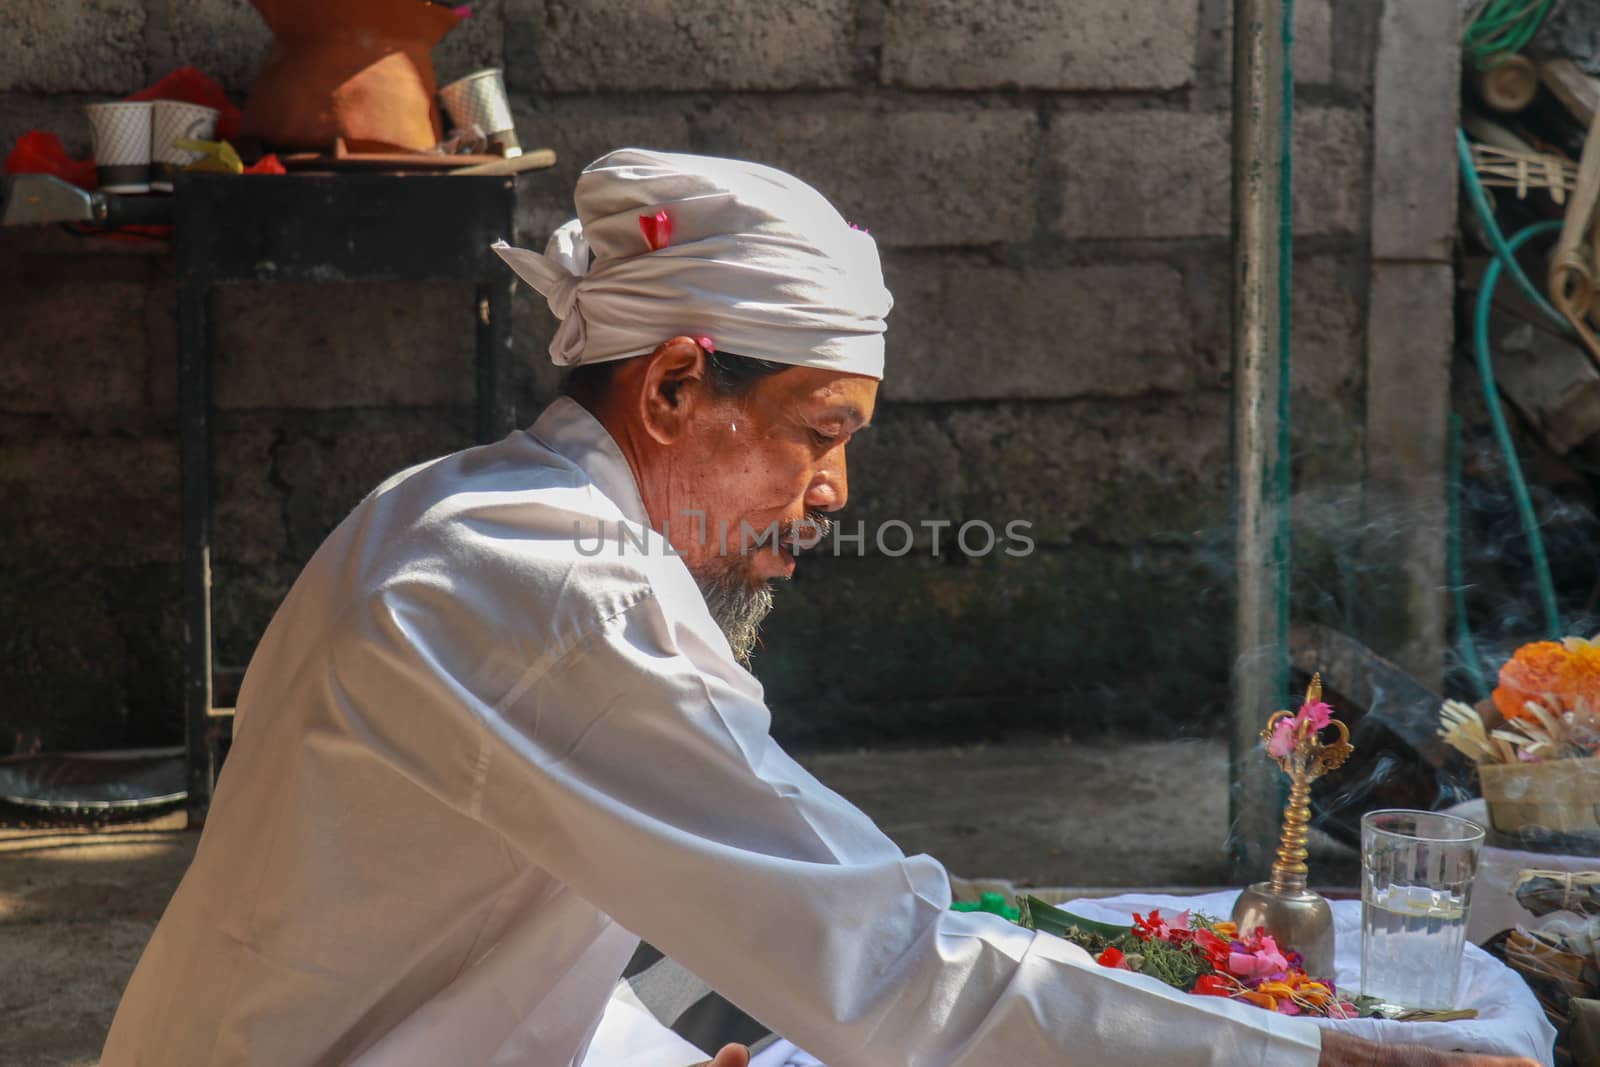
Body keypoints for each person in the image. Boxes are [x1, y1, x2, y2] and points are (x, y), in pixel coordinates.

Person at [101, 149, 1542, 1067]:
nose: (838, 489)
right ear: (672, 388)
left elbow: (479, 930)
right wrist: (1294, 1061)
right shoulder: (554, 588)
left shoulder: (460, 511)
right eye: (817, 431)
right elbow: (887, 965)